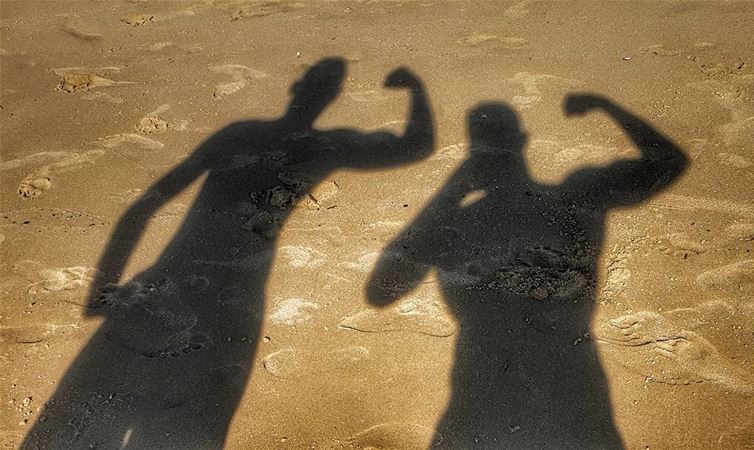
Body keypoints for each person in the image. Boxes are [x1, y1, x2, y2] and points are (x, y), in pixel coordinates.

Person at [23, 58, 433, 449]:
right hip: (237, 296)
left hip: (166, 280)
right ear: (332, 98)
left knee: (69, 415)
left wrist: (103, 289)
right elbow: (416, 147)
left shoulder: (239, 134)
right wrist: (415, 89)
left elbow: (146, 206)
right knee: (204, 423)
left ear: (296, 88)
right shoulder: (329, 146)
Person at [367, 95, 688, 448]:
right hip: (553, 396)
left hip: (496, 402)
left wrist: (452, 190)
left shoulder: (458, 226)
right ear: (521, 141)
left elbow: (381, 291)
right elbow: (667, 163)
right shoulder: (573, 200)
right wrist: (606, 107)